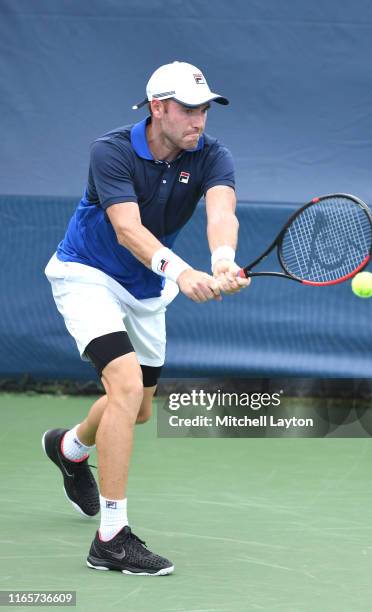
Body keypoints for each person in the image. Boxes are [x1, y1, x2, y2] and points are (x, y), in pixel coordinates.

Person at [42, 60, 250, 576]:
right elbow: (128, 230)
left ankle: (70, 448)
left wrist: (222, 259)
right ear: (158, 108)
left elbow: (222, 211)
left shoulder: (212, 155)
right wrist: (183, 272)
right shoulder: (110, 150)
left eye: (204, 108)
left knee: (134, 410)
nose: (199, 119)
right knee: (126, 386)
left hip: (146, 291)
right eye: (188, 108)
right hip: (86, 275)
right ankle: (111, 538)